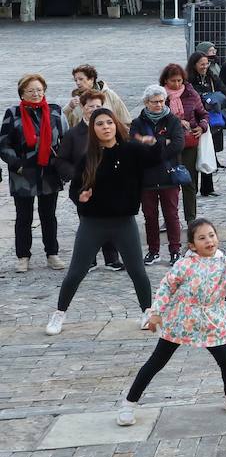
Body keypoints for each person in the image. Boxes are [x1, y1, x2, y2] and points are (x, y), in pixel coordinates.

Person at [119, 220, 226, 427]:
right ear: (192, 245)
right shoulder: (184, 265)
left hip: (212, 321)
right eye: (202, 238)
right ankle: (129, 403)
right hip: (181, 320)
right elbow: (166, 287)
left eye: (211, 235)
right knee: (157, 362)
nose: (209, 241)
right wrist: (155, 313)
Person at [45, 107, 160, 335]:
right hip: (93, 223)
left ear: (115, 124)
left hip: (124, 222)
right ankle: (59, 314)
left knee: (137, 271)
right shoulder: (89, 157)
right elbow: (75, 190)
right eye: (100, 124)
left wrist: (153, 143)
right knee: (76, 272)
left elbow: (155, 160)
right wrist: (81, 197)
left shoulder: (131, 150)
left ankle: (147, 311)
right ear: (93, 129)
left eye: (109, 122)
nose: (105, 127)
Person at [1, 73, 68, 271]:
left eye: (39, 89)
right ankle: (23, 256)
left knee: (49, 214)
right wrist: (17, 165)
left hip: (49, 172)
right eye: (31, 90)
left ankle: (52, 253)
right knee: (24, 216)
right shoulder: (12, 113)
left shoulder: (55, 111)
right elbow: (3, 144)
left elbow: (65, 139)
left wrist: (62, 162)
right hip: (23, 173)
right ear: (22, 94)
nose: (36, 93)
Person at [54, 90, 123, 270]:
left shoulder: (110, 128)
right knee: (88, 224)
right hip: (84, 186)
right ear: (83, 108)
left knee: (110, 220)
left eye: (98, 106)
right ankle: (89, 260)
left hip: (109, 184)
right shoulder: (74, 134)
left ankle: (111, 258)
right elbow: (61, 160)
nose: (94, 109)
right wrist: (77, 174)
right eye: (90, 106)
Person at [129, 84, 186, 266]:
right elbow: (134, 146)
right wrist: (163, 143)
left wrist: (154, 146)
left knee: (172, 215)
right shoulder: (138, 123)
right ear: (146, 103)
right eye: (155, 102)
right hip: (146, 178)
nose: (159, 105)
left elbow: (178, 144)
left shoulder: (173, 121)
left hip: (168, 176)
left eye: (162, 101)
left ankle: (175, 250)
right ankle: (153, 251)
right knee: (150, 216)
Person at [161, 63, 208, 226]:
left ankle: (190, 218)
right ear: (165, 80)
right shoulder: (160, 96)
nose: (176, 84)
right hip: (168, 143)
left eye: (179, 80)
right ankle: (170, 219)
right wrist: (176, 122)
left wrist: (202, 127)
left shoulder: (191, 93)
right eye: (172, 81)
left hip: (189, 141)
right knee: (169, 182)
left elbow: (203, 114)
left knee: (189, 180)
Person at [187, 52, 226, 197]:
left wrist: (216, 100)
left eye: (206, 63)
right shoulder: (188, 80)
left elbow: (225, 93)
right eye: (202, 64)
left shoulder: (212, 78)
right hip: (193, 120)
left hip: (210, 119)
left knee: (208, 152)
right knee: (193, 155)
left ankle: (207, 187)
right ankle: (191, 188)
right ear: (194, 65)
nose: (205, 67)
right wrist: (205, 99)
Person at [65, 64, 130, 128]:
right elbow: (64, 125)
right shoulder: (75, 102)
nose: (78, 83)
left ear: (92, 79)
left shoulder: (109, 94)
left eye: (81, 79)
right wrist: (69, 108)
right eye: (76, 80)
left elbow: (126, 120)